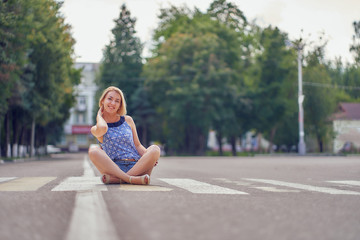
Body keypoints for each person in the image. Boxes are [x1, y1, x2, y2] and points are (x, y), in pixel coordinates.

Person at [88, 86, 160, 185]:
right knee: (93, 151)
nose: (113, 103)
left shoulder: (128, 120)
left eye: (117, 101)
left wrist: (148, 156)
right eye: (109, 99)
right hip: (115, 169)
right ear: (103, 101)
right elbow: (103, 128)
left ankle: (121, 179)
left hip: (137, 166)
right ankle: (131, 179)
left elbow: (137, 145)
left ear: (120, 105)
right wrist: (99, 115)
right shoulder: (96, 129)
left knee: (155, 149)